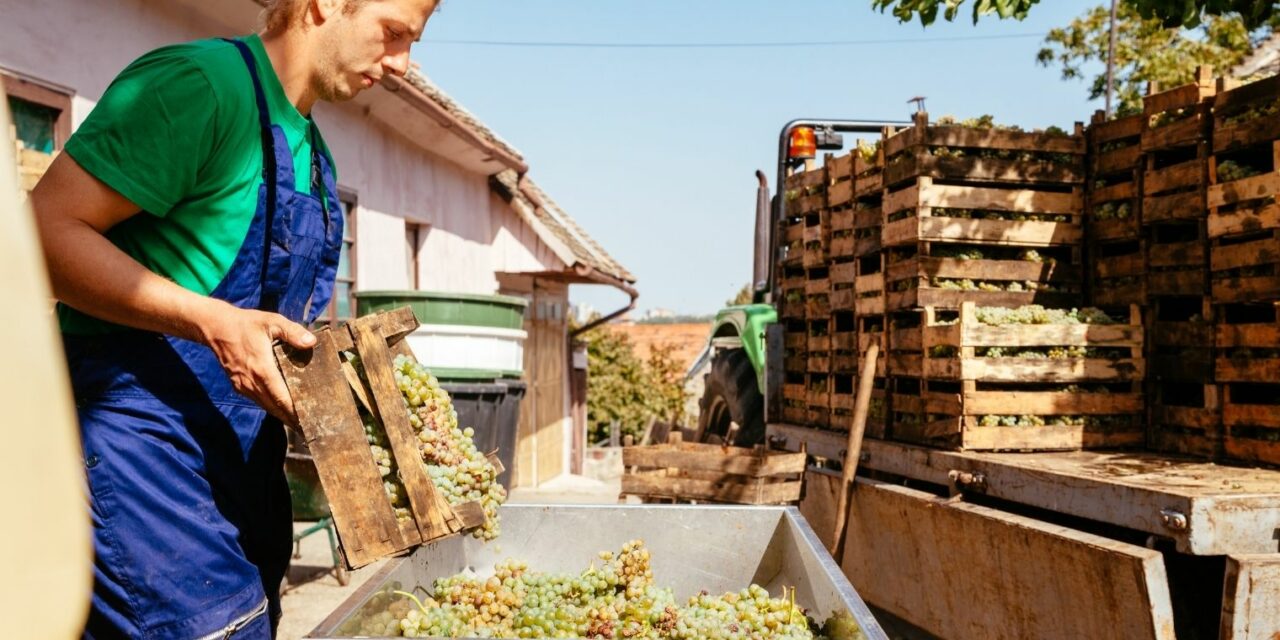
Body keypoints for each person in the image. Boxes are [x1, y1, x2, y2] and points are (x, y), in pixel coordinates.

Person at [31, 0, 438, 637]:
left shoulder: (317, 162)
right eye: (393, 34)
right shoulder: (200, 86)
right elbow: (43, 236)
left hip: (240, 469)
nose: (404, 65)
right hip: (137, 452)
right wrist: (215, 323)